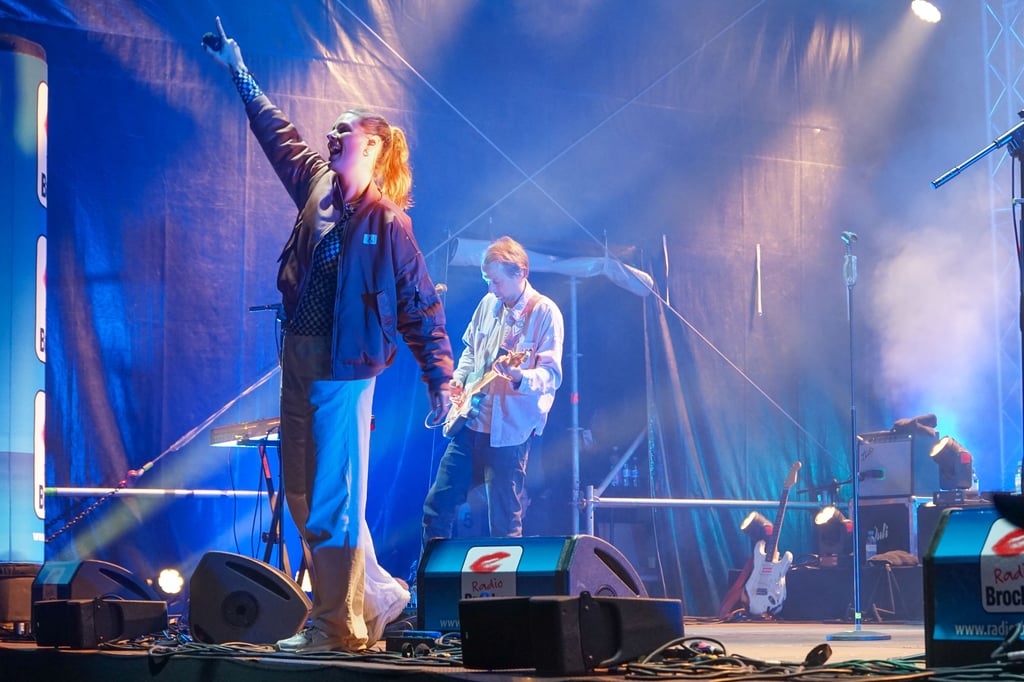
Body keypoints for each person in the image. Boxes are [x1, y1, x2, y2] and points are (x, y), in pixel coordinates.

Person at [203, 17, 453, 653]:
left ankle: (337, 628)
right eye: (334, 128)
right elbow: (277, 136)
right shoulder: (317, 187)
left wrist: (441, 379)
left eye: (348, 129)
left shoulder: (388, 223)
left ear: (372, 149)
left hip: (348, 370)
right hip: (301, 360)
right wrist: (239, 69)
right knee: (302, 491)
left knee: (333, 501)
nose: (334, 133)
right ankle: (374, 603)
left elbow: (420, 306)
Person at [421, 236, 563, 549]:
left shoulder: (545, 313)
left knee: (504, 523)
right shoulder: (488, 304)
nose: (491, 289)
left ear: (520, 273)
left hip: (509, 436)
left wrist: (518, 376)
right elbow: (471, 350)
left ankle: (506, 594)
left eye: (496, 281)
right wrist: (458, 380)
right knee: (437, 509)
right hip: (469, 424)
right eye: (488, 281)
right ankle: (429, 587)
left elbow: (550, 377)